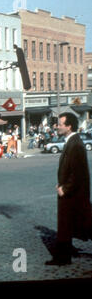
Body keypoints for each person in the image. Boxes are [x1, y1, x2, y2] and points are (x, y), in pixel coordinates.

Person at [45, 112, 92, 266]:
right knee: (69, 226)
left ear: (69, 126)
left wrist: (65, 188)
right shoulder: (72, 142)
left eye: (60, 124)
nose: (57, 126)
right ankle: (63, 258)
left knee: (79, 224)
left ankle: (62, 258)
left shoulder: (75, 144)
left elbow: (78, 172)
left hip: (72, 194)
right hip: (70, 192)